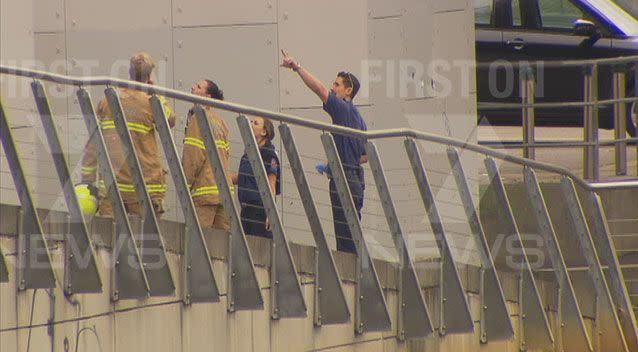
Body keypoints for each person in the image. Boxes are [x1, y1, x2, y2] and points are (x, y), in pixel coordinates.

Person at [280, 50, 367, 254]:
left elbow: (319, 89)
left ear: (348, 91)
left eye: (337, 85)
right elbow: (365, 155)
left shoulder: (342, 108)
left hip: (344, 179)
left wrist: (296, 67)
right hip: (355, 179)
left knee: (345, 240)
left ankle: (349, 281)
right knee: (351, 234)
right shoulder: (359, 119)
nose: (332, 88)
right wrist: (338, 162)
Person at [81, 52, 175, 217]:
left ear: (130, 73)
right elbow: (170, 121)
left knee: (110, 239)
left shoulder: (108, 100)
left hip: (112, 187)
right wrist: (155, 92)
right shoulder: (151, 102)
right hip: (146, 187)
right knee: (147, 239)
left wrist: (87, 182)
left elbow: (93, 144)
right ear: (149, 76)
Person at [182, 79, 231, 231]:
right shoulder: (221, 123)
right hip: (224, 194)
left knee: (199, 244)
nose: (192, 87)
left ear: (208, 97)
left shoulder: (197, 119)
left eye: (198, 87)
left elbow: (193, 156)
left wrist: (185, 184)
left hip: (204, 194)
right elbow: (226, 156)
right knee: (222, 249)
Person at [231, 117, 280, 238]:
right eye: (251, 122)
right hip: (245, 210)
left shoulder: (269, 154)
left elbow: (271, 183)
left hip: (259, 212)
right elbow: (243, 177)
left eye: (255, 123)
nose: (251, 124)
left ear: (264, 132)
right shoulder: (248, 153)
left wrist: (271, 213)